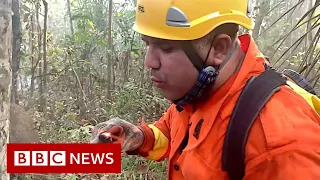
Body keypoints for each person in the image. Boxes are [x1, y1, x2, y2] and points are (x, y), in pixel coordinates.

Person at [91, 0, 320, 179]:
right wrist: (142, 137)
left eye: (167, 47)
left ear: (219, 48)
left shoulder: (279, 145)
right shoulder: (200, 92)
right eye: (148, 44)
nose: (149, 62)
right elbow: (174, 133)